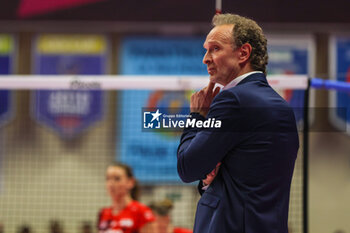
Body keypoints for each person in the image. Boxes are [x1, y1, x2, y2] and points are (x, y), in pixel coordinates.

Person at [177, 13, 299, 233]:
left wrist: (196, 116)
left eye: (215, 48)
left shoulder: (232, 100)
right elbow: (250, 178)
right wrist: (209, 180)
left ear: (243, 53)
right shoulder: (283, 107)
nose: (205, 58)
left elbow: (187, 166)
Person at [97, 162, 156, 233]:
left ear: (130, 182)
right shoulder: (104, 213)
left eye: (117, 179)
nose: (111, 183)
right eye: (108, 179)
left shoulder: (141, 212)